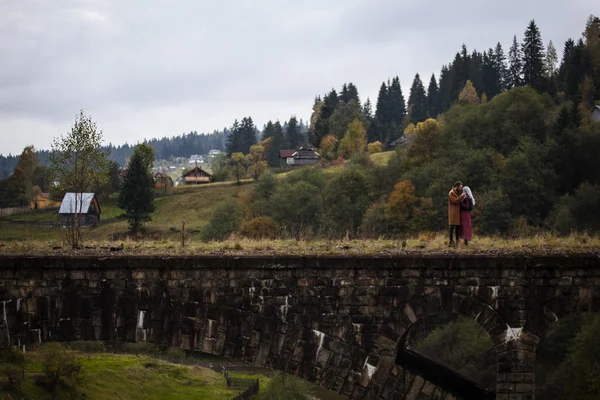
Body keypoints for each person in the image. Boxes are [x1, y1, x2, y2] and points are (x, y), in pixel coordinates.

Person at [448, 181, 466, 247]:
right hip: (453, 213)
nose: (461, 188)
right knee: (452, 227)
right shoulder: (451, 193)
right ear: (457, 186)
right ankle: (451, 241)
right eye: (460, 187)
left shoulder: (458, 192)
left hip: (458, 213)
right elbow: (454, 201)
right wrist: (461, 196)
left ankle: (457, 242)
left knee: (458, 228)